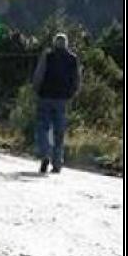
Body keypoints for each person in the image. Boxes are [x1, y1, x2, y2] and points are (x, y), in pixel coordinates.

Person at [32, 32, 82, 174]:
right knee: (59, 132)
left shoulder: (48, 56)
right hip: (62, 99)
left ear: (55, 43)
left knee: (43, 127)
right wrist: (72, 94)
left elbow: (39, 74)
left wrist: (36, 90)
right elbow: (77, 79)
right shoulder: (73, 59)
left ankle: (45, 154)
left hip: (45, 97)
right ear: (66, 44)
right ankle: (57, 163)